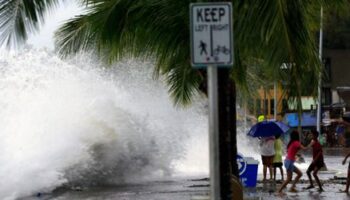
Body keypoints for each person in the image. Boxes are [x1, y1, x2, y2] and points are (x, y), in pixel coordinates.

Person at [278, 130, 307, 195]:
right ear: (297, 136)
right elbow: (305, 149)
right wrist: (311, 144)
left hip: (288, 161)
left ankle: (292, 187)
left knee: (299, 174)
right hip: (289, 162)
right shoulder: (296, 142)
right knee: (289, 179)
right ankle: (279, 190)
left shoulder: (291, 143)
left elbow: (291, 151)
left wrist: (295, 155)